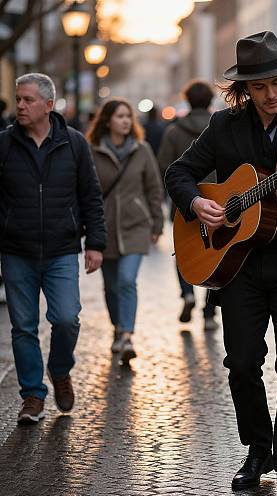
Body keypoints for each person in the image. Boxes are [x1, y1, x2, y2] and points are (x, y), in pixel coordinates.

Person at [166, 31, 277, 496]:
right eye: (260, 86)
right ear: (245, 88)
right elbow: (178, 173)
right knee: (241, 363)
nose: (270, 94)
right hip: (238, 265)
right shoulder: (225, 127)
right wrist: (197, 203)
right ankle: (257, 449)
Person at [0, 73, 106, 424]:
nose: (20, 106)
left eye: (28, 99)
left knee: (65, 318)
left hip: (62, 250)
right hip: (16, 250)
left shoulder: (74, 143)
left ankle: (60, 369)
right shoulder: (4, 144)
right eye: (18, 99)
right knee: (23, 328)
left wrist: (95, 243)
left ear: (48, 104)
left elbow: (91, 195)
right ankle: (33, 395)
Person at [87, 99, 164, 364]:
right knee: (110, 287)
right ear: (107, 120)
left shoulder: (141, 150)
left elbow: (154, 188)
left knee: (127, 281)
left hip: (136, 227)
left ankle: (127, 334)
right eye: (120, 116)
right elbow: (85, 191)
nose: (125, 122)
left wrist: (157, 223)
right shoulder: (92, 151)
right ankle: (118, 329)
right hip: (104, 229)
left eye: (128, 117)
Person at [158, 80, 218, 330]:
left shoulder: (174, 131)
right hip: (218, 202)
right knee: (217, 255)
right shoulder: (219, 127)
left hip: (185, 203)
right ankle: (209, 312)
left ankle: (188, 294)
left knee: (185, 253)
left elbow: (165, 166)